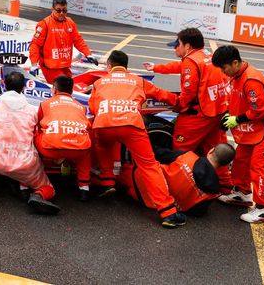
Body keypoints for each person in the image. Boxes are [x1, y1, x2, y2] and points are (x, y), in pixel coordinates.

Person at [89, 50, 187, 228]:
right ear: (126, 67)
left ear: (109, 66)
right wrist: (180, 102)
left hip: (103, 125)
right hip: (131, 126)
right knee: (149, 166)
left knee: (104, 145)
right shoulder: (137, 80)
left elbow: (94, 108)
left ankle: (107, 181)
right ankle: (168, 212)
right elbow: (160, 94)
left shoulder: (99, 82)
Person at [211, 45, 264, 223]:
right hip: (257, 127)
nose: (222, 72)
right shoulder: (237, 75)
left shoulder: (251, 79)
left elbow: (260, 110)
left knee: (260, 166)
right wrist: (229, 115)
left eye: (224, 68)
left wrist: (237, 119)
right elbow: (237, 100)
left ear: (235, 62)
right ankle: (242, 193)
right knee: (242, 159)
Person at [142, 28, 233, 193]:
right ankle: (225, 186)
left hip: (199, 114)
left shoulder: (191, 62)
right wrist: (156, 67)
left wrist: (178, 106)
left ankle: (181, 186)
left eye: (178, 44)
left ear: (188, 46)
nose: (175, 48)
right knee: (214, 151)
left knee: (181, 150)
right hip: (217, 111)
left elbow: (187, 95)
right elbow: (181, 66)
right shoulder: (206, 56)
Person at [0, 71, 59, 214]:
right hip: (26, 164)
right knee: (49, 189)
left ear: (4, 85)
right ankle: (36, 194)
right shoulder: (32, 110)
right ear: (23, 87)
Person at [119, 142, 236, 216]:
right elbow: (197, 212)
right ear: (224, 165)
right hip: (153, 204)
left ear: (211, 151)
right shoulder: (213, 192)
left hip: (135, 179)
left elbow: (158, 152)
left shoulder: (186, 157)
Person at [36, 75, 92, 201]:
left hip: (50, 148)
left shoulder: (44, 104)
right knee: (86, 146)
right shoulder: (81, 107)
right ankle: (84, 188)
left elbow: (39, 125)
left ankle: (34, 178)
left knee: (34, 136)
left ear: (54, 89)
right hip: (78, 149)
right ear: (71, 91)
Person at [28, 0, 98, 84]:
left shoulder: (70, 22)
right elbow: (35, 45)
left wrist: (88, 54)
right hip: (50, 67)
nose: (62, 13)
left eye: (64, 11)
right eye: (58, 10)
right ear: (52, 10)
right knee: (62, 88)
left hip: (65, 65)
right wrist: (34, 64)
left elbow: (78, 40)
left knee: (70, 87)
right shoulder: (44, 24)